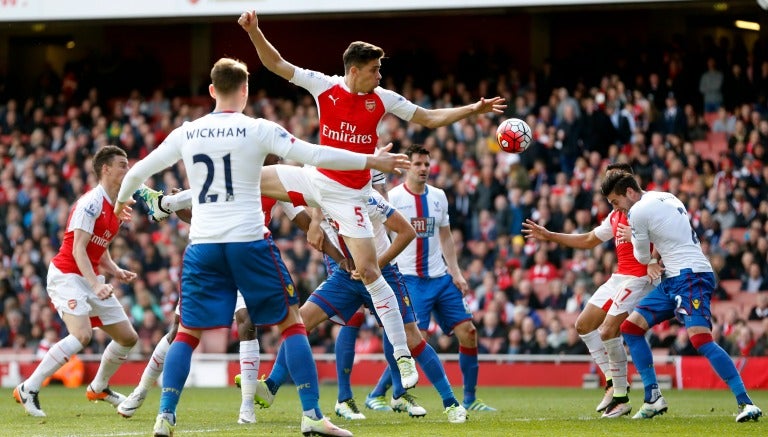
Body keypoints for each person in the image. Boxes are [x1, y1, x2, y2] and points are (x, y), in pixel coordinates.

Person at [114, 57, 409, 437]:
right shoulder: (258, 129)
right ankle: (312, 415)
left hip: (202, 245)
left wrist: (122, 201)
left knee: (188, 331)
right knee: (291, 323)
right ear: (245, 91)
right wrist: (372, 159)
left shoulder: (187, 132)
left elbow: (138, 171)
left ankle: (165, 416)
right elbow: (316, 155)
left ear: (210, 91)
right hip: (249, 241)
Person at [238, 9, 505, 391]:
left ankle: (400, 353)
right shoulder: (323, 86)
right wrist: (254, 31)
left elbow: (428, 118)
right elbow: (276, 64)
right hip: (315, 180)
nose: (380, 76)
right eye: (375, 69)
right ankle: (170, 202)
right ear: (354, 69)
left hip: (352, 196)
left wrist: (473, 110)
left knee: (368, 271)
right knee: (247, 177)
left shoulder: (382, 98)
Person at [118, 176, 347, 424]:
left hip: (246, 259)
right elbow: (197, 217)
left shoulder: (275, 181)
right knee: (178, 331)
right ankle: (141, 390)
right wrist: (178, 205)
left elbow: (304, 218)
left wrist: (332, 246)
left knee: (247, 322)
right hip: (213, 255)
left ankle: (247, 406)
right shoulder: (226, 174)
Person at [247, 189, 468, 423]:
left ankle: (451, 403)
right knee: (299, 321)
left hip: (383, 273)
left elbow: (407, 232)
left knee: (412, 338)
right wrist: (315, 223)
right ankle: (272, 386)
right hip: (347, 277)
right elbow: (294, 195)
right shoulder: (323, 192)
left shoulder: (369, 198)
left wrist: (374, 265)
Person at [602, 171, 763, 422]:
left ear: (630, 192)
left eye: (615, 202)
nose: (616, 208)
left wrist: (631, 238)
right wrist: (653, 257)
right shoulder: (667, 196)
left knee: (700, 340)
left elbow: (642, 257)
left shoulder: (637, 212)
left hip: (690, 277)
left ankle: (746, 403)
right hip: (675, 276)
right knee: (631, 328)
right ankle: (653, 397)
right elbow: (669, 238)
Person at [521, 163, 657, 418]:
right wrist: (550, 235)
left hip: (640, 278)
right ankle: (612, 381)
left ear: (627, 185)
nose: (607, 191)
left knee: (608, 329)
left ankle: (620, 396)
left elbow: (664, 236)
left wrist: (654, 261)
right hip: (620, 277)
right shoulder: (615, 214)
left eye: (612, 183)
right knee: (583, 325)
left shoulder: (647, 208)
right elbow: (588, 240)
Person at [13, 145, 139, 418]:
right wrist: (96, 284)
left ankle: (99, 387)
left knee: (128, 338)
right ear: (106, 169)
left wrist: (116, 270)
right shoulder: (90, 203)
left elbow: (99, 247)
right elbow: (77, 249)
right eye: (122, 164)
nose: (127, 169)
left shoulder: (116, 206)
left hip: (90, 275)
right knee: (82, 334)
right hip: (67, 275)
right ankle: (28, 388)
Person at [381, 145, 496, 412]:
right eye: (418, 163)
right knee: (414, 340)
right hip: (409, 278)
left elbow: (445, 235)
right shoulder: (394, 197)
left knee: (469, 333)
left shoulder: (439, 197)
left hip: (440, 277)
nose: (423, 168)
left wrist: (455, 271)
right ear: (407, 166)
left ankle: (470, 399)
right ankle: (381, 392)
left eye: (426, 164)